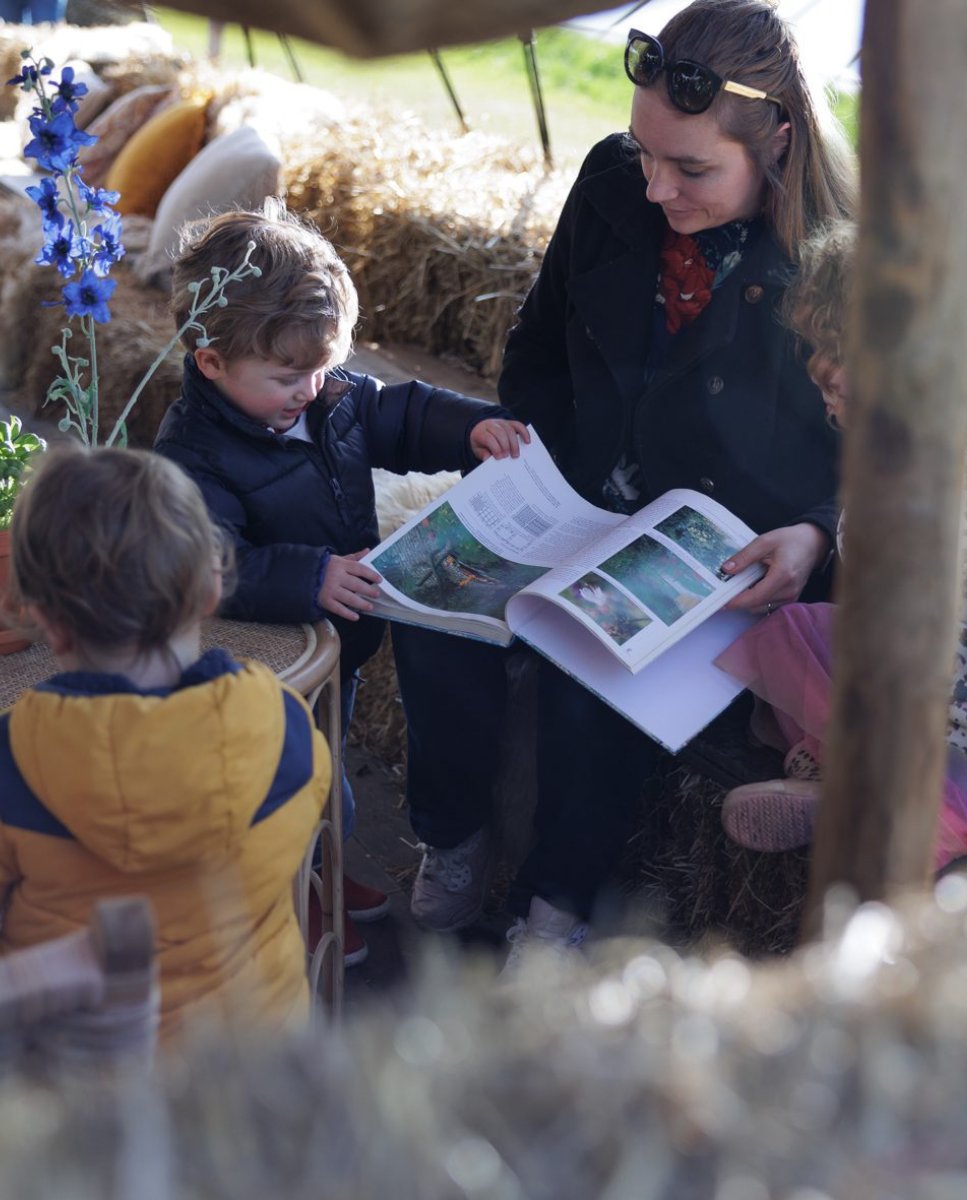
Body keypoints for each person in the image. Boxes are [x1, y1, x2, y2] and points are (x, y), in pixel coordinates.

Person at [392, 0, 856, 966]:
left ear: (777, 139)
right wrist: (528, 472)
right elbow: (536, 349)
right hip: (576, 500)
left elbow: (888, 453)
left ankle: (554, 914)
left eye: (691, 169)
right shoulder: (611, 183)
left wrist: (819, 532)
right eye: (645, 153)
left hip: (724, 550)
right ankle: (455, 837)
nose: (656, 188)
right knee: (429, 606)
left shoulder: (838, 261)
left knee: (589, 679)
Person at [153, 200, 528, 964]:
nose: (312, 387)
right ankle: (291, 893)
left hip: (333, 646)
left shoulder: (326, 398)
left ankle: (321, 862)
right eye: (289, 375)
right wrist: (312, 574)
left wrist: (468, 428)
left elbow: (399, 414)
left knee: (325, 763)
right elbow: (209, 563)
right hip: (260, 662)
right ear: (211, 363)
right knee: (284, 782)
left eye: (323, 367)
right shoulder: (194, 453)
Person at [716, 220, 967, 866]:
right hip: (939, 669)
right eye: (822, 351)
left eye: (841, 360)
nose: (823, 374)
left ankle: (863, 803)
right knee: (791, 633)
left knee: (944, 814)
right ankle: (848, 775)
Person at [0, 445, 329, 1045]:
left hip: (81, 1081)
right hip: (261, 1064)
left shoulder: (11, 762)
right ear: (210, 590)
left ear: (46, 619)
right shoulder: (286, 726)